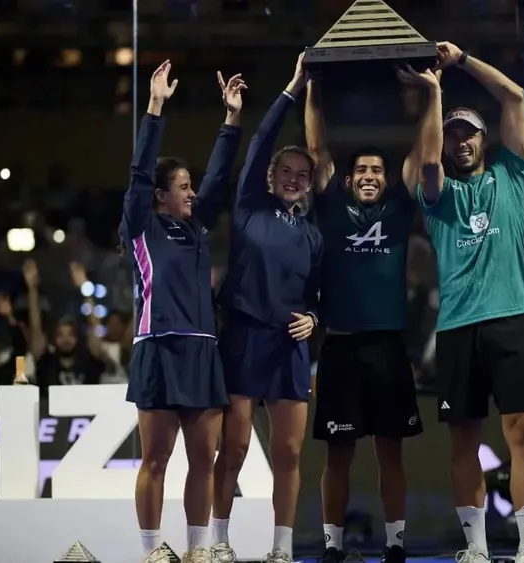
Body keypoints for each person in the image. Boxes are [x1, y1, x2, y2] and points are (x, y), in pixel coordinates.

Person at [411, 42, 524, 563]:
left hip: (512, 318)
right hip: (458, 327)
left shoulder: (511, 174)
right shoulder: (438, 195)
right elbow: (426, 161)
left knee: (523, 432)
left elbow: (514, 96)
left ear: (484, 140)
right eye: (452, 135)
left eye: (468, 133)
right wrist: (434, 94)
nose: (460, 141)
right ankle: (477, 549)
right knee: (463, 441)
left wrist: (462, 60)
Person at [303, 69, 442, 563]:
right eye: (361, 170)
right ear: (347, 179)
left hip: (387, 348)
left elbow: (425, 154)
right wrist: (313, 85)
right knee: (337, 455)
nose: (369, 176)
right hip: (340, 347)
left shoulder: (400, 208)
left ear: (387, 179)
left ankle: (396, 547)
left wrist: (432, 93)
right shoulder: (331, 206)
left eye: (377, 171)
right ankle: (332, 548)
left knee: (391, 452)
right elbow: (316, 148)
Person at [119, 60, 246, 563]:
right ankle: (152, 551)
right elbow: (138, 173)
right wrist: (155, 107)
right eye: (183, 186)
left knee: (203, 461)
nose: (192, 192)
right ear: (160, 195)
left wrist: (231, 119)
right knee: (155, 459)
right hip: (157, 347)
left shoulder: (198, 227)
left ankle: (197, 551)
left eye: (191, 186)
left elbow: (219, 176)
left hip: (202, 352)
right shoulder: (140, 225)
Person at [211, 53, 322, 563]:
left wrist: (314, 318)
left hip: (289, 347)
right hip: (244, 338)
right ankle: (218, 541)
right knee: (233, 449)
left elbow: (319, 294)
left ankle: (282, 549)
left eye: (303, 174)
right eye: (287, 171)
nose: (295, 179)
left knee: (290, 453)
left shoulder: (314, 235)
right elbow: (258, 143)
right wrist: (293, 87)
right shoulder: (249, 207)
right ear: (271, 174)